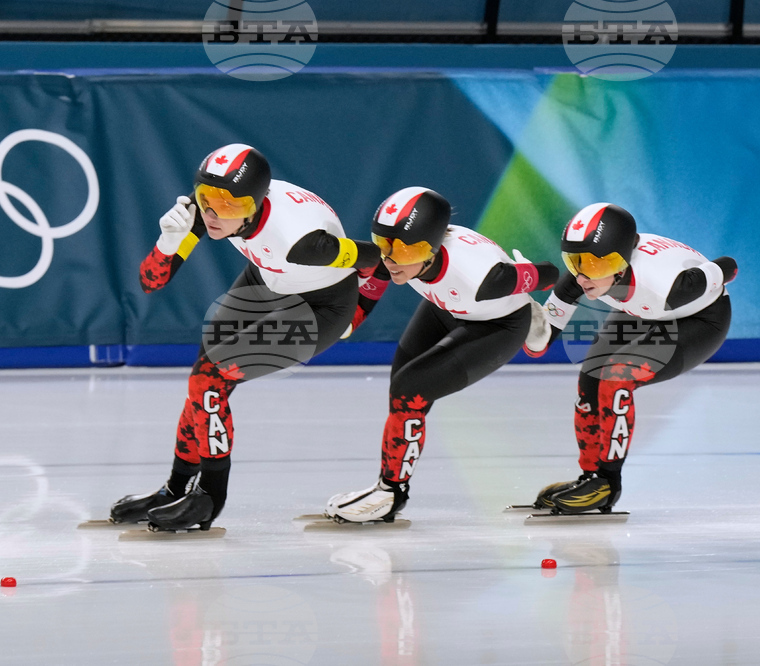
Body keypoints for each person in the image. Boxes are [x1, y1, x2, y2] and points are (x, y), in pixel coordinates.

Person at [112, 143, 384, 531]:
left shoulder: (302, 240)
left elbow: (378, 260)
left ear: (256, 204)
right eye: (207, 200)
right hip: (268, 275)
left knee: (209, 379)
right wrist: (168, 243)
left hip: (320, 305)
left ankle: (209, 496)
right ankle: (175, 489)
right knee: (203, 381)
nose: (213, 215)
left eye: (228, 207)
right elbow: (150, 282)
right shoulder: (210, 207)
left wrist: (356, 317)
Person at [325, 187, 560, 523]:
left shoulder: (481, 274)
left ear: (432, 248)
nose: (390, 260)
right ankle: (391, 489)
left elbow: (549, 273)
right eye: (383, 245)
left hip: (498, 324)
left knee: (410, 389)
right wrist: (341, 325)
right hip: (445, 306)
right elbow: (365, 299)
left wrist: (523, 278)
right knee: (402, 390)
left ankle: (390, 492)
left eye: (404, 251)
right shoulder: (395, 254)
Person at [527, 203, 737, 513]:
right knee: (591, 377)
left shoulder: (668, 284)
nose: (583, 277)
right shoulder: (586, 273)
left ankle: (608, 484)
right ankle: (590, 477)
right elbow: (539, 344)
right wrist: (531, 324)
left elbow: (728, 266)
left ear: (621, 261)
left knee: (615, 378)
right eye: (574, 262)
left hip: (699, 319)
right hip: (640, 309)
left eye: (594, 266)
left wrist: (713, 269)